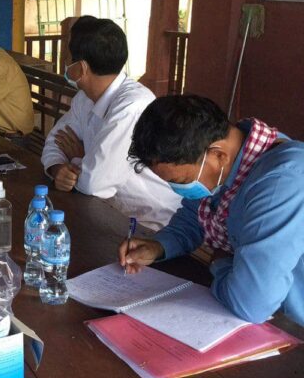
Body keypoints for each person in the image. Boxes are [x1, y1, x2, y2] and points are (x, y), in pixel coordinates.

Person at [119, 95, 304, 327]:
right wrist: (158, 246)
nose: (179, 189)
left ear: (218, 155)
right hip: (271, 315)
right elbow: (194, 218)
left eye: (182, 181)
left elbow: (251, 304)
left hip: (292, 326)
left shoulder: (281, 182)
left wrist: (220, 262)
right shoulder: (232, 160)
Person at [40, 16, 180, 229]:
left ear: (81, 68)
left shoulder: (132, 105)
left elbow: (95, 183)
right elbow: (54, 142)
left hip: (153, 223)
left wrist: (78, 157)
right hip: (108, 210)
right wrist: (58, 168)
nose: (65, 63)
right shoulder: (84, 98)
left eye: (67, 58)